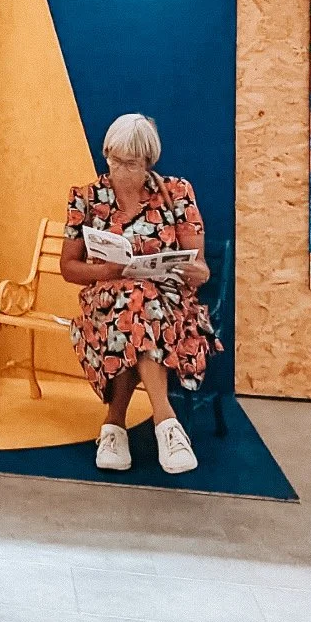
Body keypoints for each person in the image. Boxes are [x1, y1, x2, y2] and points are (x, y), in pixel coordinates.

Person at [60, 113, 222, 475]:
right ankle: (167, 423)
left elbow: (199, 267)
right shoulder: (85, 198)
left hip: (169, 303)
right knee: (133, 299)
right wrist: (108, 271)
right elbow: (69, 268)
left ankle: (114, 424)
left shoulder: (176, 193)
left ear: (148, 162)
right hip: (103, 305)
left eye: (130, 164)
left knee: (139, 302)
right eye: (113, 160)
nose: (120, 170)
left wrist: (196, 270)